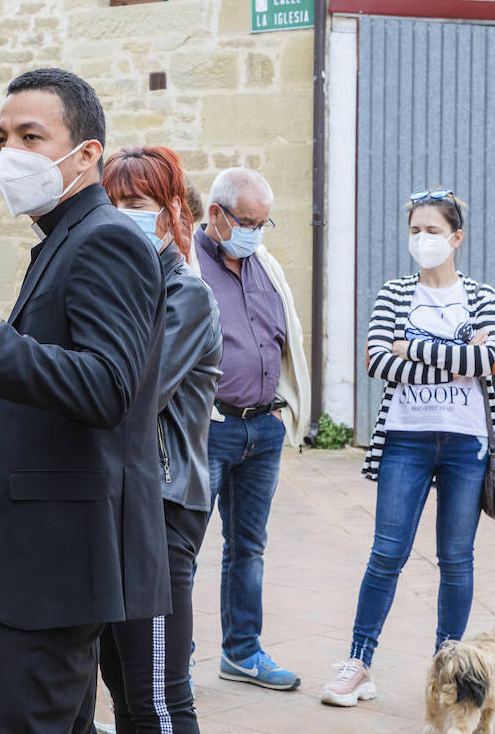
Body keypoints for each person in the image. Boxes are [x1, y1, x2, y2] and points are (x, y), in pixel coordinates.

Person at [0, 68, 170, 733]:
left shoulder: (104, 240)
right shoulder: (62, 240)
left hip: (54, 571)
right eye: (1, 138)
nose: (9, 155)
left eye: (30, 136)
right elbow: (66, 386)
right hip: (42, 571)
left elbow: (108, 388)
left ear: (86, 155)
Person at [321, 190, 495, 708]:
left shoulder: (482, 297)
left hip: (466, 441)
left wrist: (414, 349)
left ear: (456, 237)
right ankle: (358, 664)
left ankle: (449, 674)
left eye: (432, 230)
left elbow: (487, 358)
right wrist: (455, 357)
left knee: (457, 559)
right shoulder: (394, 294)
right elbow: (379, 361)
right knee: (387, 553)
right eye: (415, 230)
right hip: (405, 438)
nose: (422, 240)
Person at [99, 147, 223, 732]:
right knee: (121, 683)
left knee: (158, 696)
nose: (123, 214)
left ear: (171, 212)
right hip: (117, 502)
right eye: (114, 203)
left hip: (163, 505)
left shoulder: (186, 295)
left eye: (137, 204)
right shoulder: (126, 290)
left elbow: (129, 395)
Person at [194, 167, 310, 691]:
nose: (256, 234)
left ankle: (242, 652)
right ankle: (174, 664)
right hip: (208, 429)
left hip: (262, 431)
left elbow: (284, 340)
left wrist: (283, 406)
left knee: (249, 548)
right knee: (181, 549)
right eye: (248, 222)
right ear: (215, 214)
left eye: (265, 224)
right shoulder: (185, 264)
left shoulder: (266, 264)